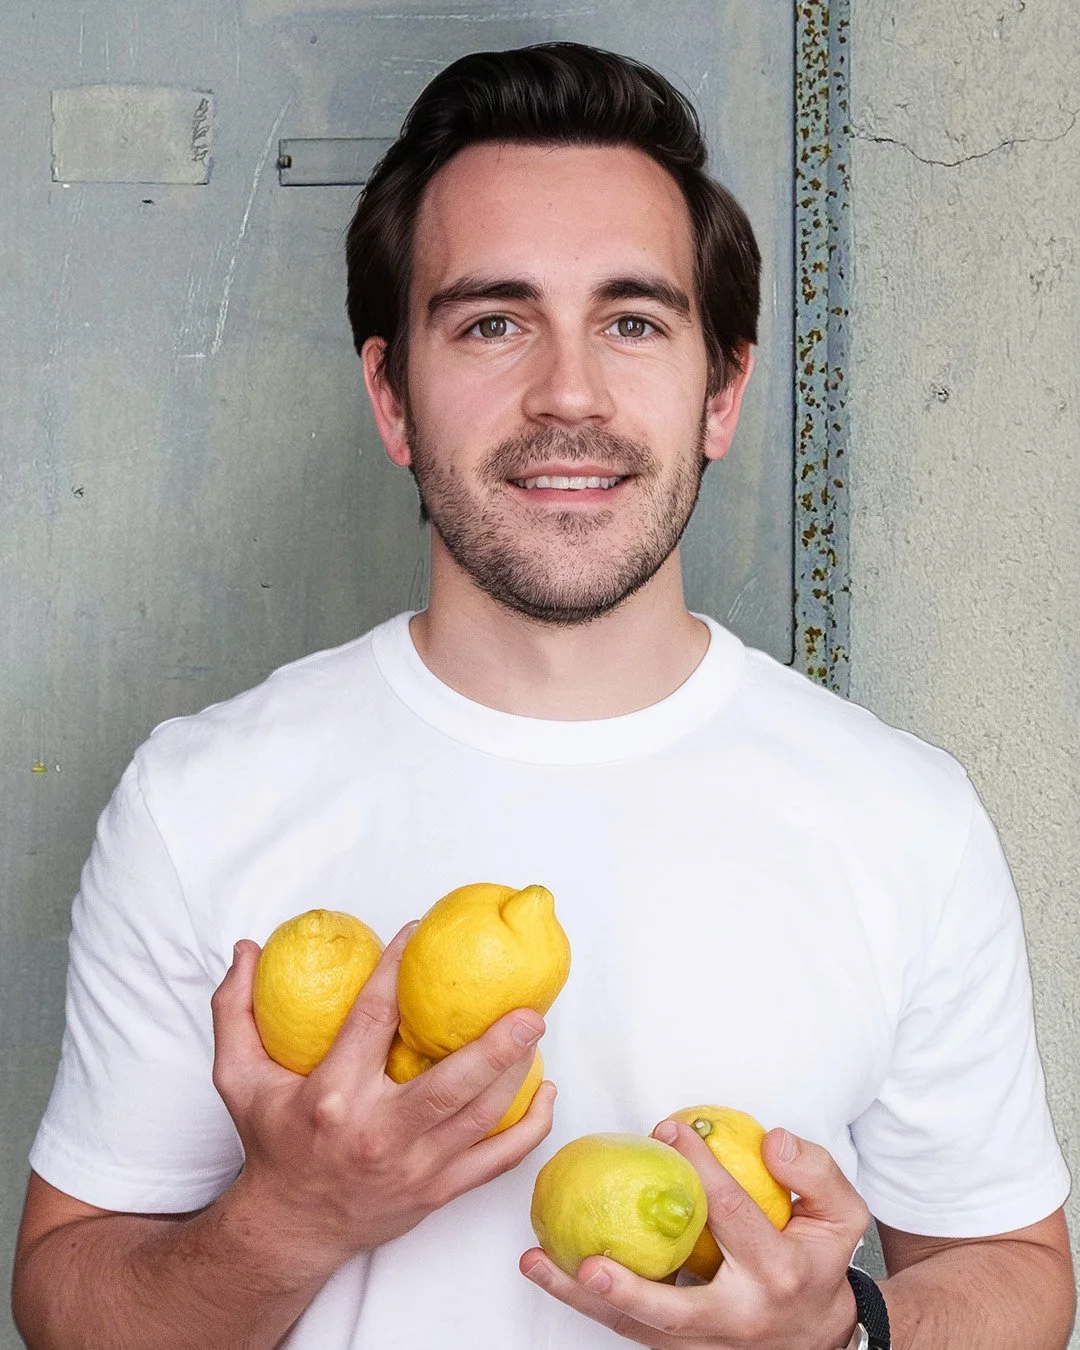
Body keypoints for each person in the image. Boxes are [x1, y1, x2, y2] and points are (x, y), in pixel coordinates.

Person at [11, 41, 1074, 1350]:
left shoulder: (905, 817)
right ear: (393, 396)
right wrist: (296, 1215)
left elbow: (1012, 1264)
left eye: (632, 320)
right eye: (492, 321)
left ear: (723, 392)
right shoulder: (200, 799)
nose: (568, 393)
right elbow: (68, 1301)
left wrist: (843, 1332)